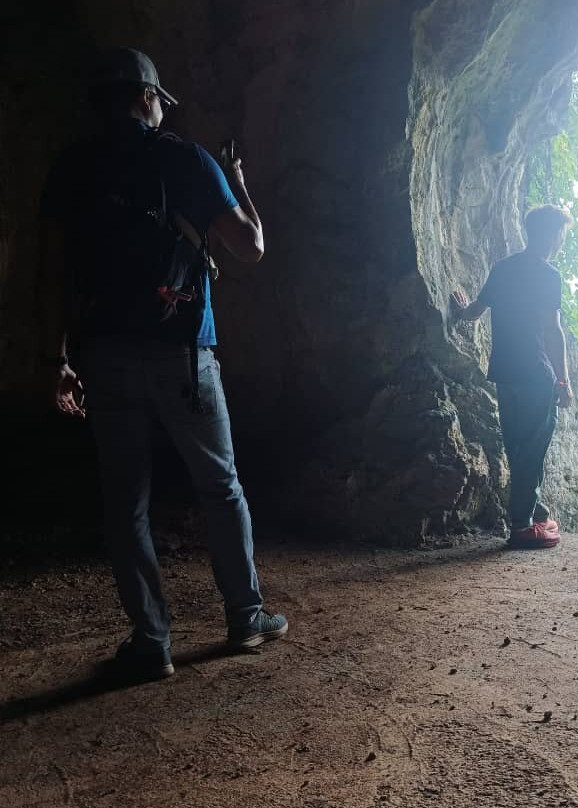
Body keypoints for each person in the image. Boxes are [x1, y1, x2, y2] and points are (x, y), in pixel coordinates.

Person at [39, 47, 287, 682]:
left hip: (105, 358)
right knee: (219, 485)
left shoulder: (71, 167)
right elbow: (250, 248)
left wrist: (57, 359)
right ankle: (245, 615)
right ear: (149, 98)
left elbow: (53, 275)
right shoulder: (184, 157)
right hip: (183, 356)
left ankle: (152, 641)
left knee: (126, 503)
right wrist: (240, 184)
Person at [452, 204, 574, 549]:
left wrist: (460, 310)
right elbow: (553, 331)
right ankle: (522, 525)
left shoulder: (503, 269)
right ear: (551, 235)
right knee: (532, 451)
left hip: (506, 372)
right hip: (536, 374)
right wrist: (563, 383)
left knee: (518, 447)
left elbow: (474, 313)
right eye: (561, 233)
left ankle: (535, 513)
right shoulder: (549, 275)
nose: (561, 240)